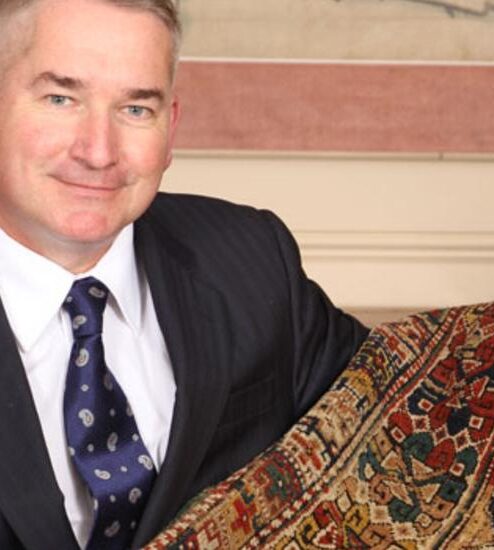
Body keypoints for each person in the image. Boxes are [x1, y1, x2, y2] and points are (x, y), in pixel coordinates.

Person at [0, 1, 367, 549]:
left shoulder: (251, 259)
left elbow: (396, 415)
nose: (99, 152)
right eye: (61, 98)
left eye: (135, 110)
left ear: (170, 128)